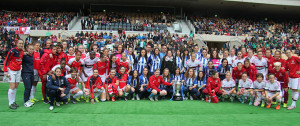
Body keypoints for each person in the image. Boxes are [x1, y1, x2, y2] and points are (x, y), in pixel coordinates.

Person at [3, 39, 24, 109]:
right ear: (16, 44)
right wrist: (5, 70)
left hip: (18, 70)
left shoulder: (22, 52)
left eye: (22, 43)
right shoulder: (12, 51)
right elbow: (6, 60)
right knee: (12, 86)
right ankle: (10, 103)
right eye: (20, 43)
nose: (21, 45)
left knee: (16, 86)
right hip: (11, 70)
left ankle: (13, 101)